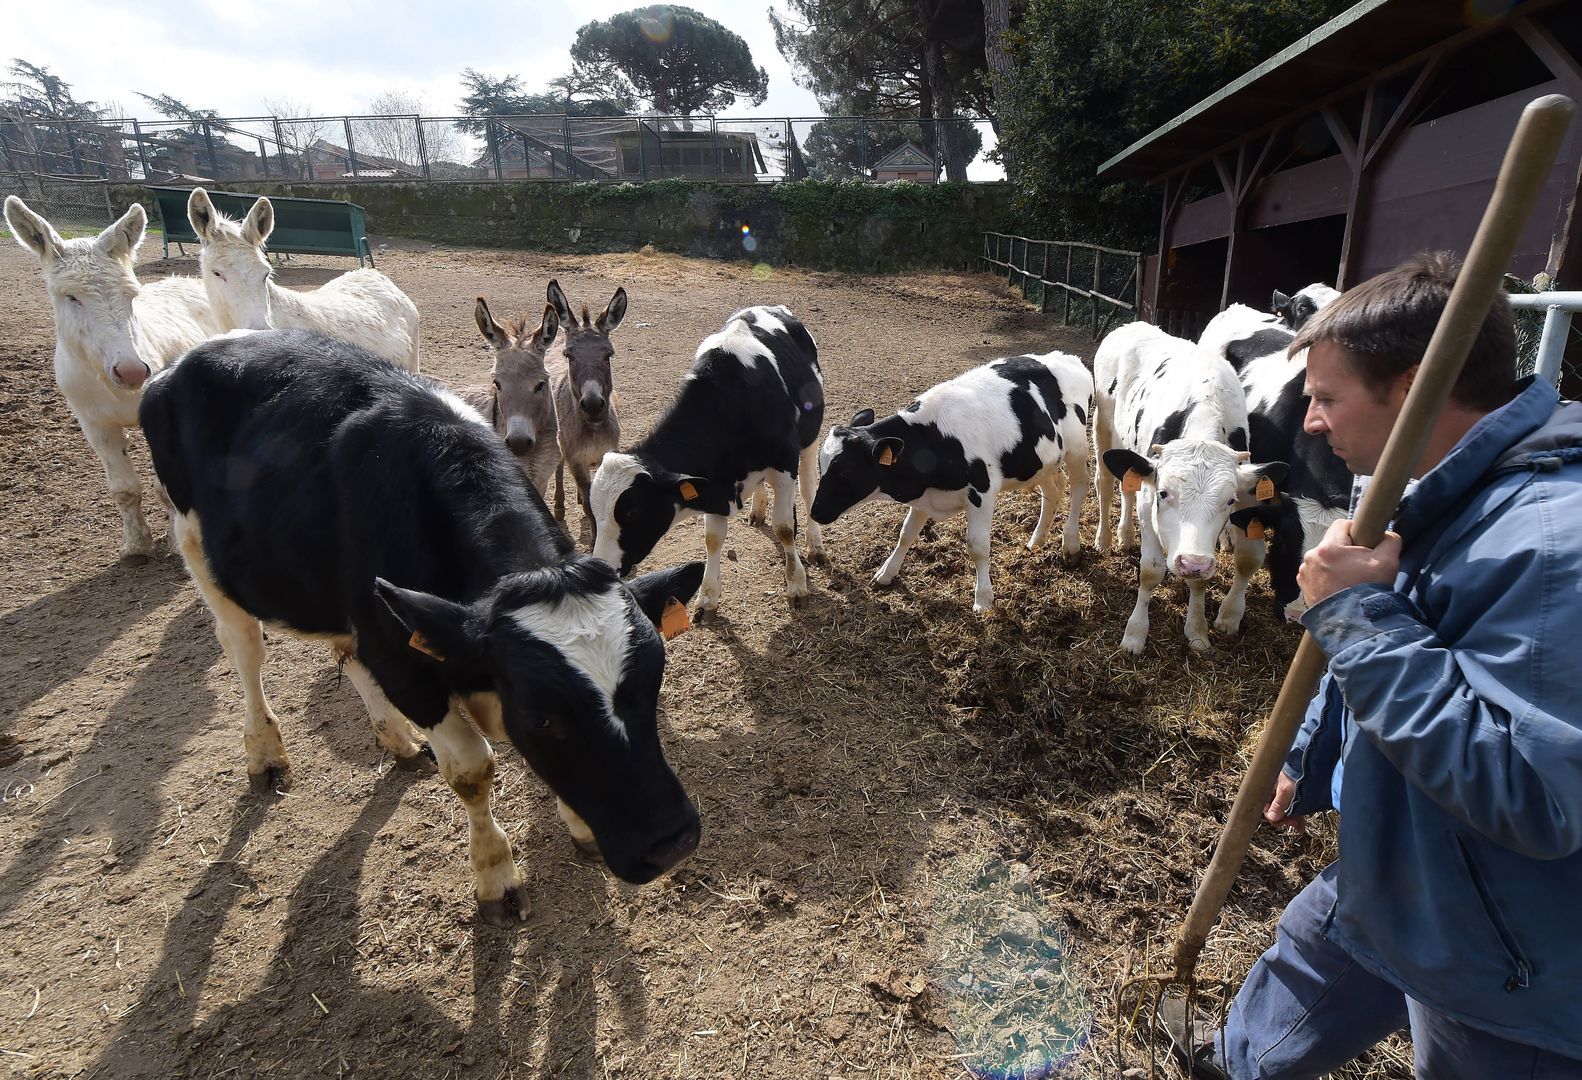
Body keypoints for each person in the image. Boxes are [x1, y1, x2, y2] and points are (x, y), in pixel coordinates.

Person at [1161, 252, 1582, 1079]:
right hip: (1400, 849)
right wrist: (1314, 752)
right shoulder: (1439, 489)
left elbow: (1532, 794)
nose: (1309, 421)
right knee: (1306, 962)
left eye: (1324, 397)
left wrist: (1352, 614)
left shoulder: (1548, 547)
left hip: (1506, 955)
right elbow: (1430, 637)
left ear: (1417, 386)